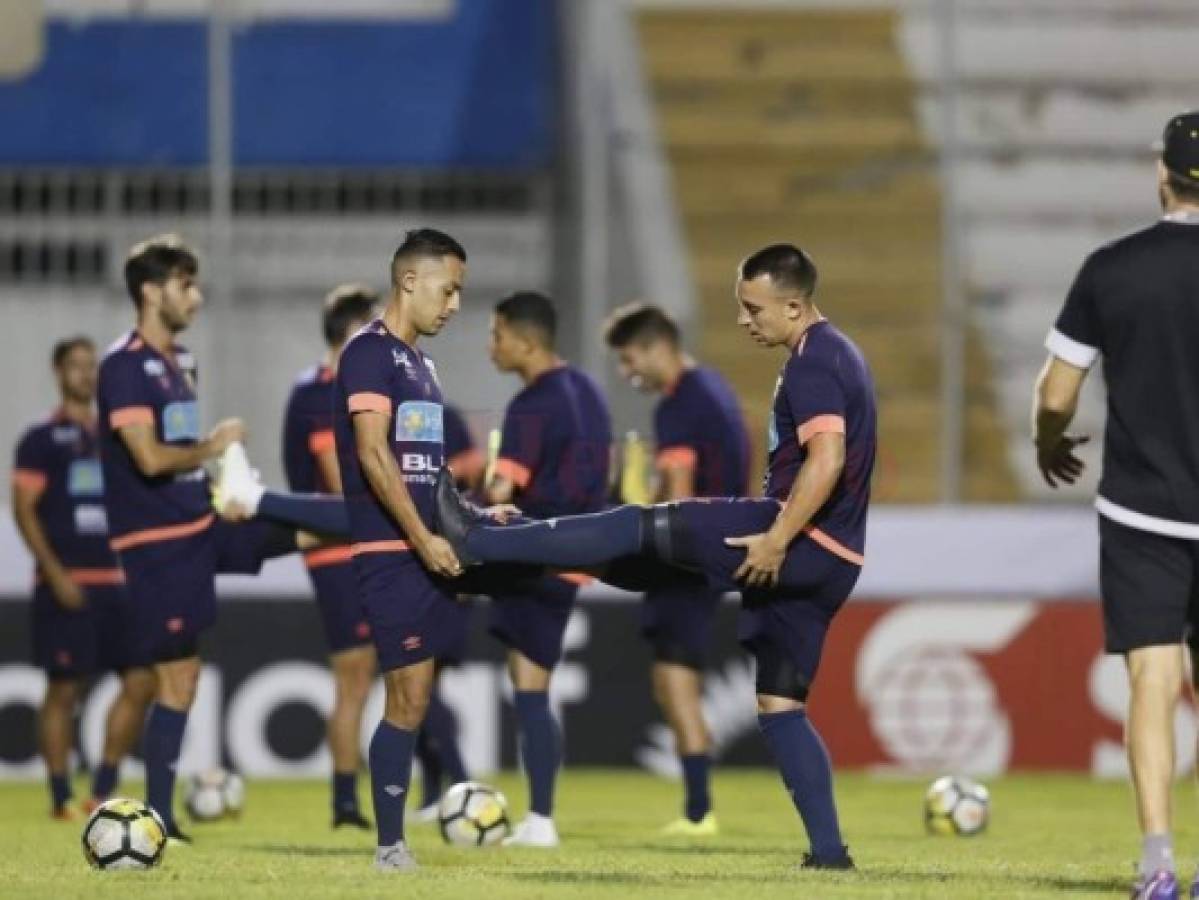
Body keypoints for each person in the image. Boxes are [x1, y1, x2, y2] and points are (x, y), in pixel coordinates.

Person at [434, 243, 873, 870]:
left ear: (796, 305)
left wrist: (777, 538)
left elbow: (826, 459)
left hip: (786, 534)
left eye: (754, 309)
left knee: (633, 526)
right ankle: (830, 855)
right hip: (837, 559)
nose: (746, 320)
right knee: (781, 707)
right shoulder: (837, 354)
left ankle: (478, 538)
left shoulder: (814, 362)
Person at [1033, 111, 1199, 900]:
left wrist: (1046, 441)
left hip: (1143, 513)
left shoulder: (1112, 269)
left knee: (1152, 684)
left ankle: (1157, 864)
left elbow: (1058, 393)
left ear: (1160, 174)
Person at [97, 234, 299, 841]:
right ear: (152, 292)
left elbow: (180, 461)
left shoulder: (180, 363)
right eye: (186, 284)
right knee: (179, 678)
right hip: (157, 544)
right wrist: (215, 443)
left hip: (199, 520)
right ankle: (156, 814)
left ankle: (376, 525)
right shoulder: (124, 366)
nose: (198, 296)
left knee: (306, 531)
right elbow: (150, 458)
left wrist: (221, 480)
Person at [329, 227, 473, 871]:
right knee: (406, 698)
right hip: (393, 550)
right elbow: (371, 452)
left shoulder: (424, 365)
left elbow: (425, 469)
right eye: (449, 290)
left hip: (428, 549)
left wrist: (465, 516)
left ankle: (395, 839)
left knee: (416, 697)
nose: (454, 305)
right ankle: (389, 846)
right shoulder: (369, 353)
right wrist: (422, 538)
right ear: (409, 281)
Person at [603, 302, 751, 835]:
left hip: (687, 560)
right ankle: (697, 804)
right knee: (674, 676)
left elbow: (681, 496)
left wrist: (638, 510)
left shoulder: (680, 405)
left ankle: (698, 811)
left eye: (628, 359)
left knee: (674, 677)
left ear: (656, 347)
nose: (627, 373)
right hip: (713, 553)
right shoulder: (713, 389)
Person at [484, 291, 612, 847]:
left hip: (537, 552)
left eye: (498, 335)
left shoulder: (530, 405)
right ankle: (539, 815)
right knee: (533, 684)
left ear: (526, 340)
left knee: (530, 687)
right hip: (583, 549)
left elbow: (500, 491)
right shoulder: (587, 389)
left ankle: (540, 819)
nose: (492, 347)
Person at [11, 337, 155, 819]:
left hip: (120, 582)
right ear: (58, 372)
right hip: (67, 582)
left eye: (92, 367)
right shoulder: (40, 439)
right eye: (76, 366)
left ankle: (103, 788)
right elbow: (24, 510)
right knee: (64, 689)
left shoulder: (115, 438)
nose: (86, 375)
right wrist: (54, 573)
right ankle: (58, 798)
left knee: (141, 680)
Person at [282, 284, 380, 829]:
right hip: (336, 547)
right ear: (350, 334)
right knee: (355, 673)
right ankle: (345, 800)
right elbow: (339, 478)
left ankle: (397, 786)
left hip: (362, 539)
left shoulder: (346, 390)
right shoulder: (320, 393)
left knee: (380, 673)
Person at [411, 402, 478, 821]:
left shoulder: (436, 414)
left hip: (444, 566)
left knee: (422, 689)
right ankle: (435, 792)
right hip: (413, 566)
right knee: (414, 689)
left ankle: (461, 783)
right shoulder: (375, 421)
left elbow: (472, 464)